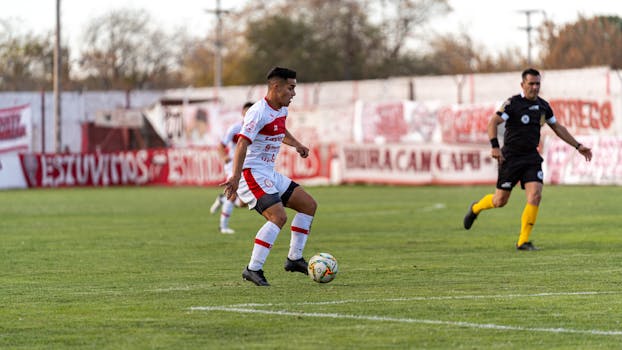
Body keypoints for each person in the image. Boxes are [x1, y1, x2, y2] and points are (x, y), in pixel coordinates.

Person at [463, 68, 593, 251]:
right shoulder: (512, 104)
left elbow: (557, 127)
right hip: (511, 158)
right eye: (531, 83)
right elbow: (493, 122)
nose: (535, 87)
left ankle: (523, 241)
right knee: (500, 201)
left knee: (535, 195)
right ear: (522, 85)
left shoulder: (543, 106)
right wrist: (494, 146)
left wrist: (578, 146)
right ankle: (476, 208)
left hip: (531, 157)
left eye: (537, 83)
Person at [220, 67, 317, 286]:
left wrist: (297, 144)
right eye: (290, 88)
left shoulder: (281, 109)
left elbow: (280, 131)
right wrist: (235, 177)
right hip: (250, 173)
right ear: (276, 87)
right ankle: (253, 269)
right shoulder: (257, 111)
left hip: (268, 174)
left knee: (309, 205)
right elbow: (242, 143)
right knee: (278, 217)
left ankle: (294, 258)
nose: (293, 93)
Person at [209, 102, 254, 234]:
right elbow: (221, 145)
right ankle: (223, 227)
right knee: (233, 194)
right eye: (247, 112)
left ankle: (222, 200)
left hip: (247, 166)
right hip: (232, 165)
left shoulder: (257, 129)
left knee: (244, 203)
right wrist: (224, 157)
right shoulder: (235, 128)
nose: (249, 115)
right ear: (242, 113)